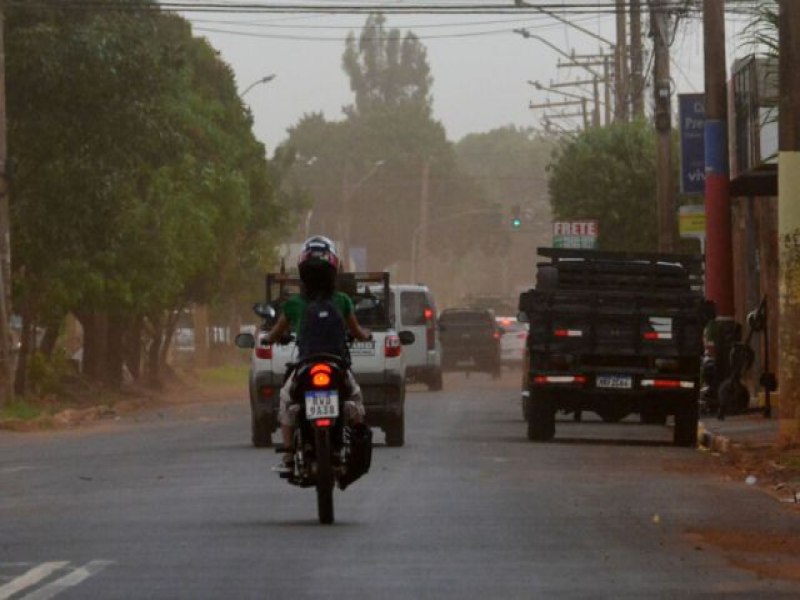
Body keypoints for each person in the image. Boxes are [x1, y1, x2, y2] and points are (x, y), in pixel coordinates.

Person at [262, 236, 372, 473]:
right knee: (356, 399)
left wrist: (268, 339)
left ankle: (289, 454)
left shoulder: (293, 304)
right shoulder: (342, 301)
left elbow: (273, 334)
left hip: (305, 366)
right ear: (334, 271)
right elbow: (357, 331)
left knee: (286, 400)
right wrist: (366, 335)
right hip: (337, 365)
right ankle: (358, 446)